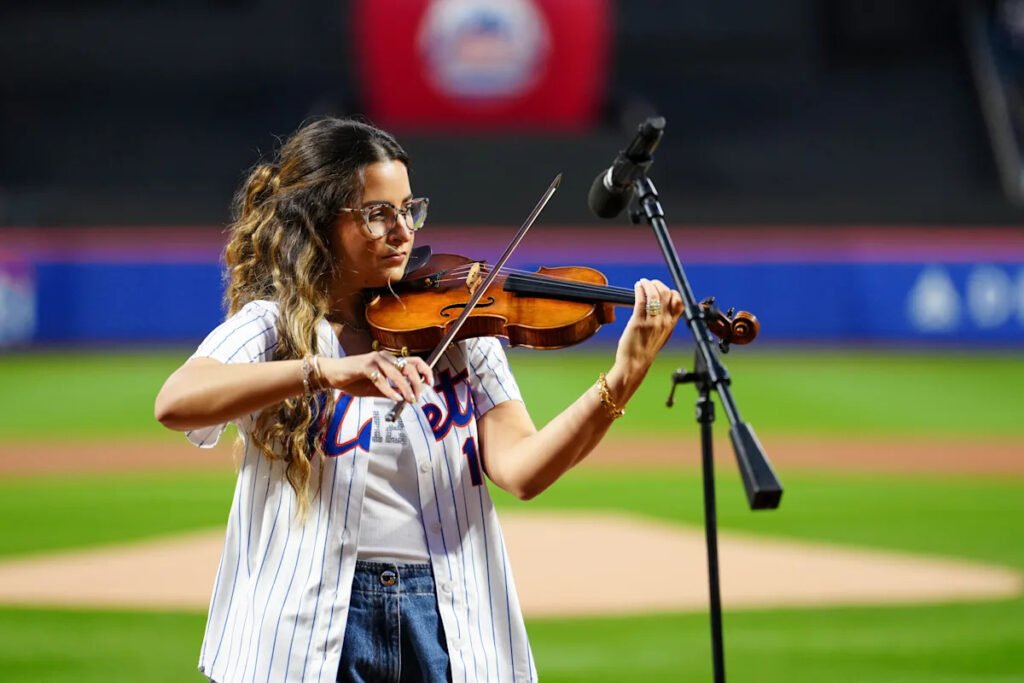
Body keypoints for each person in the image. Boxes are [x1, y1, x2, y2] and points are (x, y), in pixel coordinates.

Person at [154, 117, 683, 683]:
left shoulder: (459, 332)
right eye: (378, 213)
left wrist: (621, 378)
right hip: (305, 631)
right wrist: (323, 371)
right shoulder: (274, 326)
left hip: (446, 621)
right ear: (319, 221)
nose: (403, 230)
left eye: (409, 209)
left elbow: (523, 470)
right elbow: (176, 401)